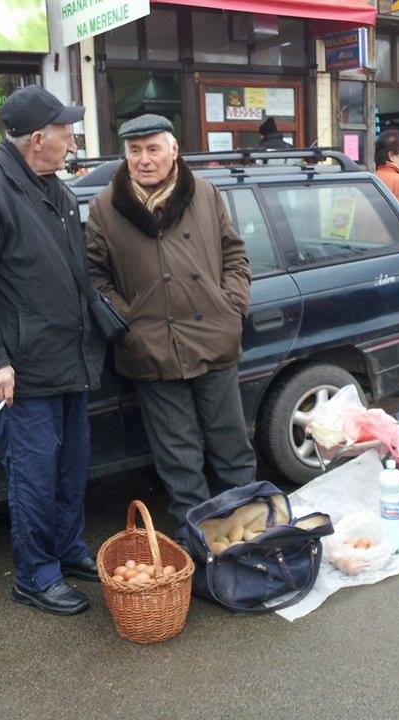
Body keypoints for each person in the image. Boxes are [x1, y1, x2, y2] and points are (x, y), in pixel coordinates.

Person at [0, 85, 106, 616]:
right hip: (23, 370)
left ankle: (67, 549)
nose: (72, 140)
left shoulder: (56, 188)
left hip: (70, 360)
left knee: (71, 468)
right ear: (39, 138)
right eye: (66, 131)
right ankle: (35, 575)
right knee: (33, 476)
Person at [86, 114, 257, 527]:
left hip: (213, 337)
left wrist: (231, 304)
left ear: (174, 151)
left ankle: (250, 531)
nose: (144, 159)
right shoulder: (105, 207)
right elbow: (95, 277)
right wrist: (127, 324)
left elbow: (234, 254)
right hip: (150, 350)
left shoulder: (204, 193)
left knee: (231, 446)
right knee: (177, 457)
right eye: (135, 150)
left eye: (153, 149)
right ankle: (196, 541)